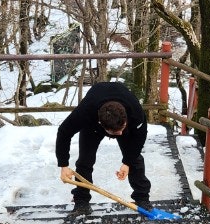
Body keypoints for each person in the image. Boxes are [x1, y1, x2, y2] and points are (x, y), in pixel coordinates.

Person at [57, 82, 152, 210]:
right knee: (85, 161)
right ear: (101, 124)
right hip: (93, 125)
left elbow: (139, 138)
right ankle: (81, 200)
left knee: (135, 159)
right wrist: (63, 165)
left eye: (121, 129)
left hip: (125, 113)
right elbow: (64, 132)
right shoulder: (86, 112)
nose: (120, 134)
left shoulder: (135, 113)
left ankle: (142, 198)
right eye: (115, 133)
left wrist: (127, 162)